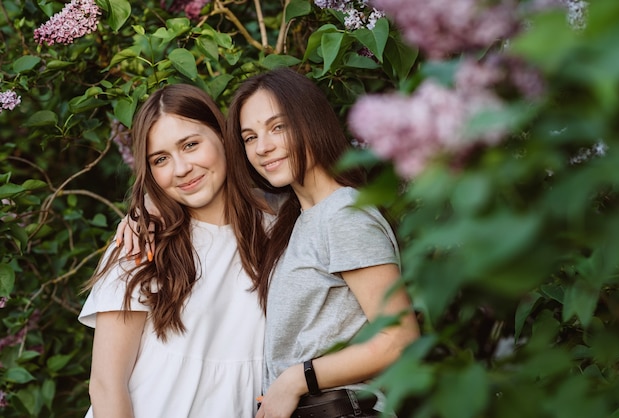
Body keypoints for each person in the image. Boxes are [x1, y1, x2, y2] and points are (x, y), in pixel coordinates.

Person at [225, 67, 420, 418]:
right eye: (250, 137)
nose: (263, 147)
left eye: (277, 127)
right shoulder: (299, 220)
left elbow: (399, 338)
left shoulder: (344, 215)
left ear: (310, 122)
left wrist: (295, 380)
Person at [79, 83, 269, 418]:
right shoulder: (141, 244)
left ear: (224, 136)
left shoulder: (278, 230)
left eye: (191, 145)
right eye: (161, 159)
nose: (181, 169)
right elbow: (107, 386)